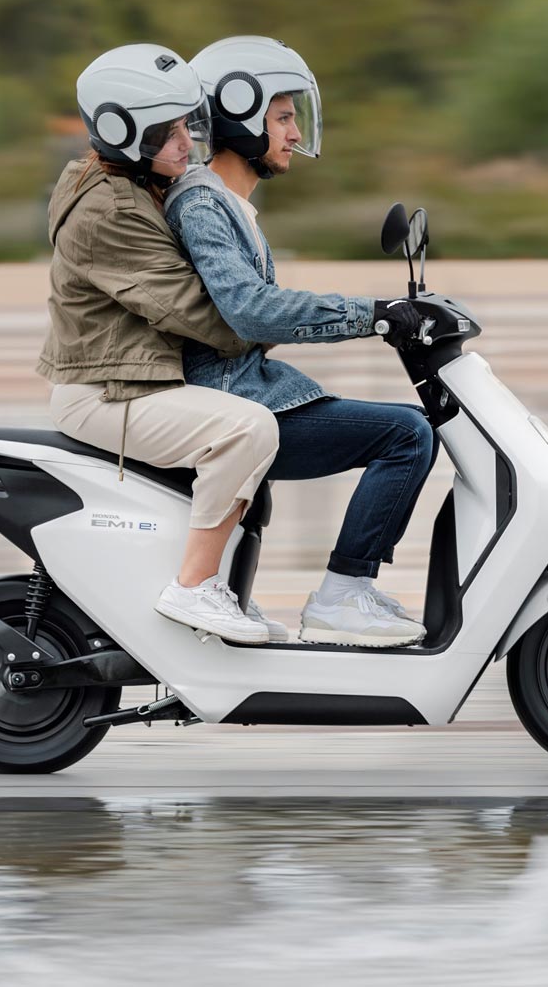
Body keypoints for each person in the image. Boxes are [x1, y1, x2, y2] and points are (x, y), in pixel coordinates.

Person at [165, 35, 437, 648]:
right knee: (407, 434)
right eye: (283, 117)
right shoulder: (203, 204)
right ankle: (343, 595)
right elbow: (251, 310)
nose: (293, 133)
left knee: (408, 427)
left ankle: (344, 591)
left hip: (248, 391)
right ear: (240, 113)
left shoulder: (227, 204)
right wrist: (373, 315)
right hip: (233, 398)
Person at [38, 43, 283, 645]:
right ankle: (193, 587)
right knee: (248, 429)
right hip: (107, 392)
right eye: (164, 133)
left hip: (132, 381)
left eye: (183, 125)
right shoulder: (109, 210)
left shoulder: (134, 180)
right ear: (120, 132)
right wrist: (276, 319)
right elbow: (197, 313)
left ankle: (219, 588)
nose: (184, 143)